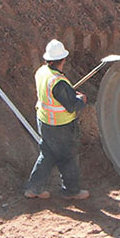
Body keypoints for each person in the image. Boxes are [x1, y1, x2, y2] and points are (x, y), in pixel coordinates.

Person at [25, 39, 89, 200]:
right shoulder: (58, 82)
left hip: (44, 120)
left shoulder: (42, 72)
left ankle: (34, 188)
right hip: (59, 126)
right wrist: (82, 100)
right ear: (63, 60)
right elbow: (71, 105)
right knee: (67, 157)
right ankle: (71, 191)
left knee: (48, 154)